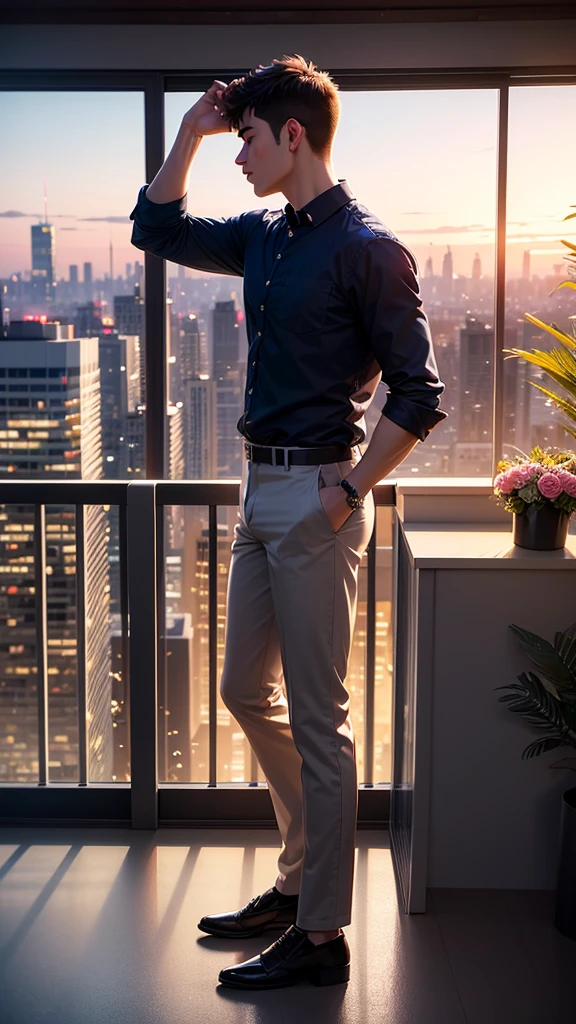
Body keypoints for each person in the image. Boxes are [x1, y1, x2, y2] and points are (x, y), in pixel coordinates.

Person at [130, 53, 447, 991]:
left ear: (293, 136)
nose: (239, 156)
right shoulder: (265, 237)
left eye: (246, 139)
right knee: (239, 689)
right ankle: (301, 876)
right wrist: (190, 130)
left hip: (316, 498)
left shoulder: (368, 248)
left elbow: (419, 392)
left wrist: (349, 488)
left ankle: (321, 937)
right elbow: (156, 225)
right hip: (256, 493)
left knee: (320, 722)